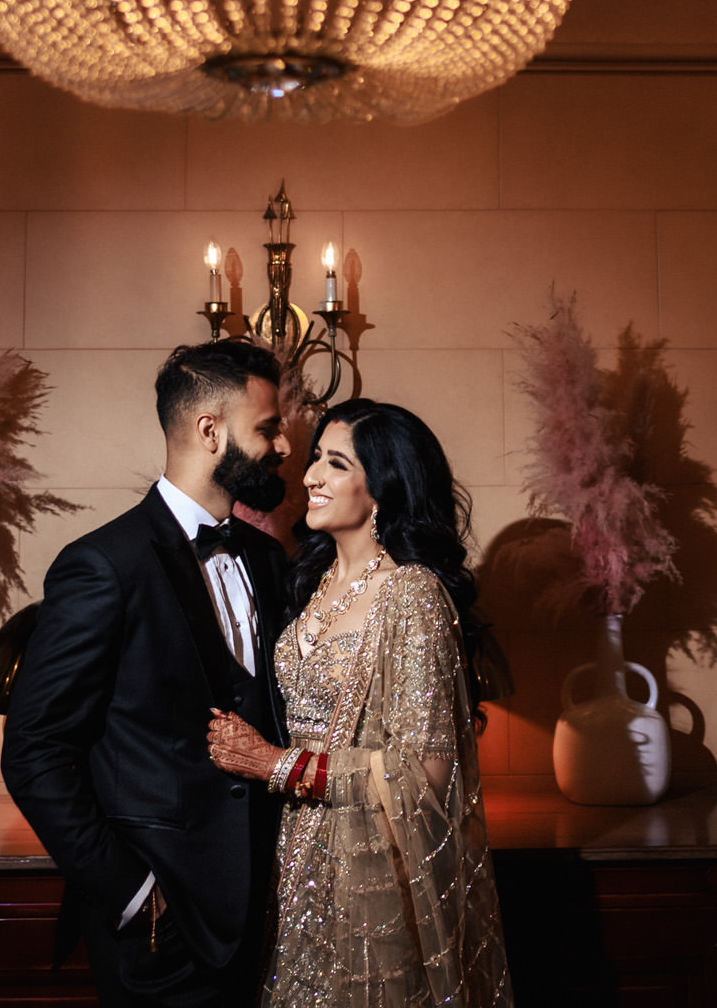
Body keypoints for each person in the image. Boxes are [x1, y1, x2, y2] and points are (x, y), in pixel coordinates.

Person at [4, 338, 295, 1007]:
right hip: (162, 930)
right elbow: (32, 749)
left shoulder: (267, 556)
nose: (281, 446)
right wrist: (132, 891)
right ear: (210, 430)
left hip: (272, 917)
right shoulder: (103, 565)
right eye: (269, 427)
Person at [207, 398, 514, 1008]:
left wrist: (274, 764)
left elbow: (424, 772)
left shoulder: (412, 595)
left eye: (336, 463)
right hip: (295, 862)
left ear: (383, 489)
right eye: (316, 458)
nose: (312, 476)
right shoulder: (311, 582)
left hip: (371, 873)